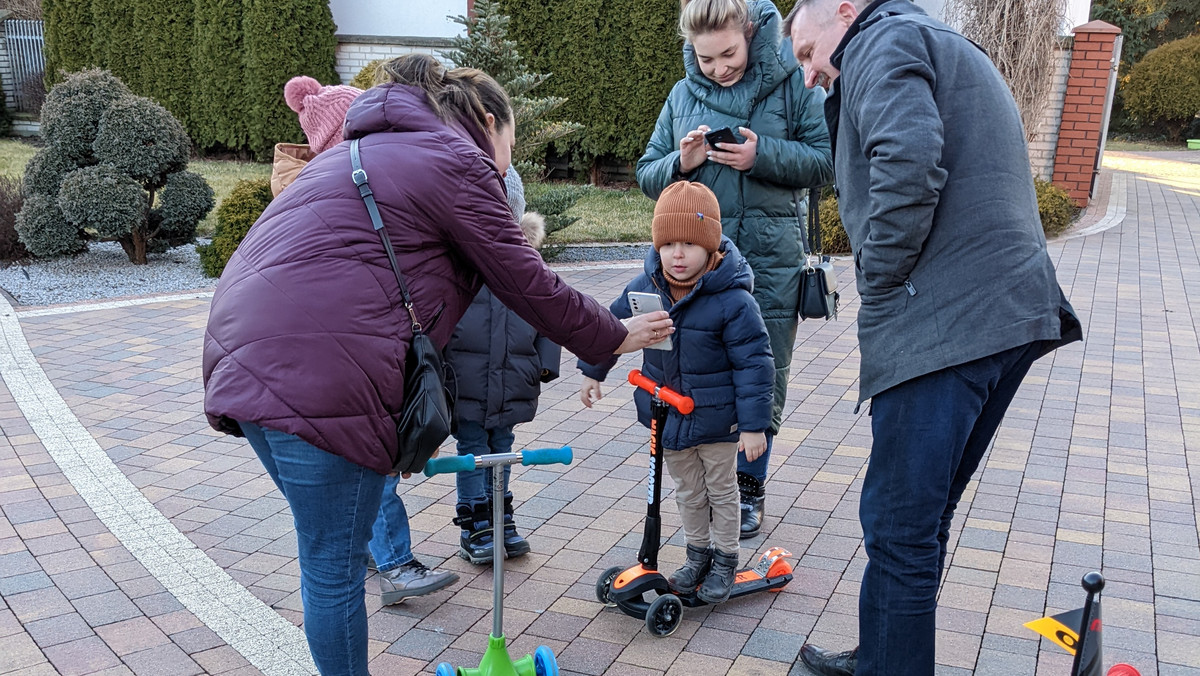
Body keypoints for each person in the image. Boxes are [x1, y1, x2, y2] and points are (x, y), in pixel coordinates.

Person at [203, 54, 674, 675]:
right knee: (333, 567)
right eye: (510, 142)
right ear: (487, 120)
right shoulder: (454, 159)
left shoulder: (360, 153)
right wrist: (614, 334)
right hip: (322, 373)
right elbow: (527, 283)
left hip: (241, 355)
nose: (506, 161)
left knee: (327, 555)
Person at [784, 1, 1082, 674]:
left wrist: (882, 283)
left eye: (807, 53)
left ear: (845, 11)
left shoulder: (881, 43)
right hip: (1005, 314)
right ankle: (882, 655)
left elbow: (909, 163)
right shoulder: (935, 43)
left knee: (898, 528)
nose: (808, 74)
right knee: (917, 522)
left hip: (946, 324)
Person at [637, 0, 833, 539]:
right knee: (698, 372)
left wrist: (761, 155)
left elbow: (826, 160)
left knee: (759, 372)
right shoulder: (681, 95)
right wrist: (682, 163)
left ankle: (749, 489)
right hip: (694, 271)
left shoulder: (796, 80)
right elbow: (647, 173)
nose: (719, 68)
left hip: (770, 263)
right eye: (706, 59)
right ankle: (703, 486)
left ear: (750, 32)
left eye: (728, 53)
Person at [273, 74, 460, 606]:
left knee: (370, 471)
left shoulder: (342, 184)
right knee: (369, 465)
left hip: (346, 357)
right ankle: (394, 564)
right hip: (336, 364)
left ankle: (380, 557)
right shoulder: (329, 191)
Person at [579, 181, 774, 603]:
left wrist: (756, 425)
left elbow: (755, 363)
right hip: (667, 412)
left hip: (719, 418)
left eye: (689, 243)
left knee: (721, 490)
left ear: (710, 246)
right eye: (668, 243)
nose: (678, 254)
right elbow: (610, 329)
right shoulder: (644, 289)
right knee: (687, 490)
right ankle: (696, 554)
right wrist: (594, 370)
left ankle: (725, 558)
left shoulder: (733, 301)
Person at [445, 176, 557, 564]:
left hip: (511, 377)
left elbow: (550, 311)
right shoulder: (457, 262)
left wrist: (544, 365)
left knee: (503, 448)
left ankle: (501, 518)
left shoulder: (527, 261)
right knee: (474, 449)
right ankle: (475, 524)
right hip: (467, 377)